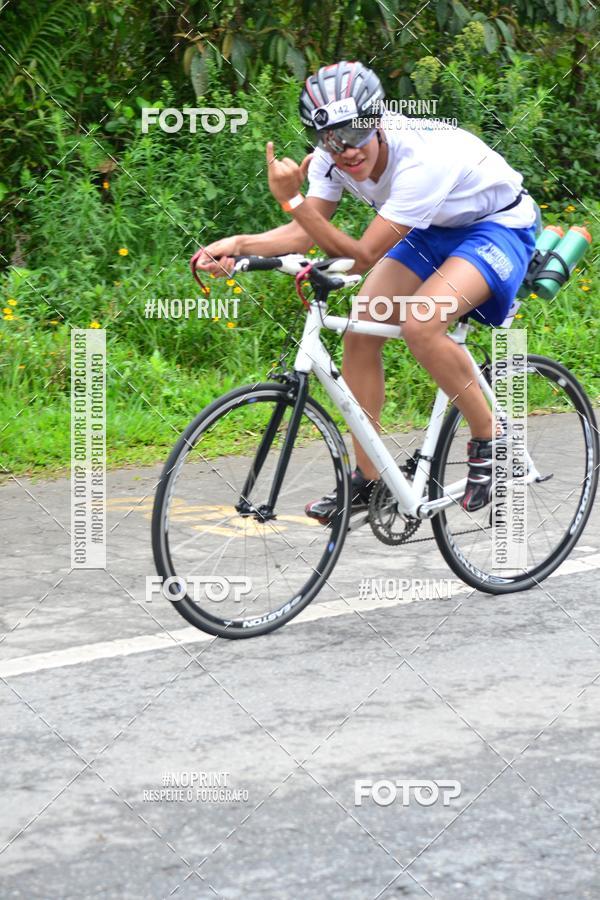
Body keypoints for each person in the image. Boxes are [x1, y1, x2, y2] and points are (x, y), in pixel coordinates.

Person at [192, 60, 538, 521]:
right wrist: (239, 245)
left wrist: (290, 200)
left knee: (421, 323)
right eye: (331, 139)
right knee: (360, 330)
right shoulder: (331, 161)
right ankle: (369, 481)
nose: (347, 150)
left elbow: (363, 254)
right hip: (432, 229)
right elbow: (303, 234)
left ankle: (490, 439)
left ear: (376, 121)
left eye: (355, 134)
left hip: (496, 226)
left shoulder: (419, 160)